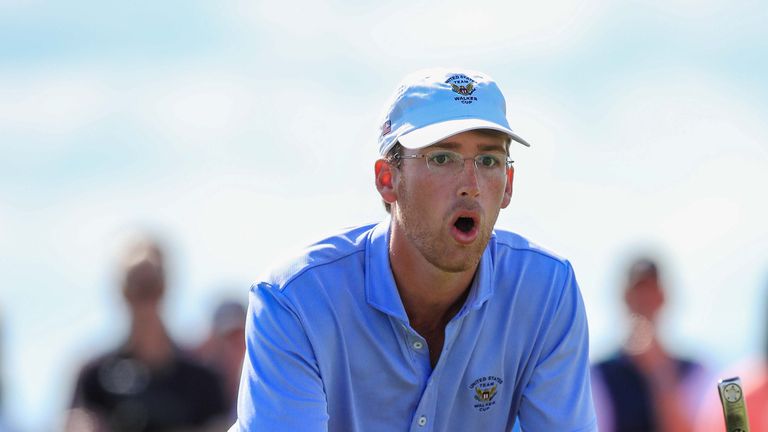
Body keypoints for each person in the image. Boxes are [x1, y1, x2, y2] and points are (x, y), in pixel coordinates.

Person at [232, 68, 596, 431]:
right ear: (387, 180)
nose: (470, 185)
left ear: (508, 186)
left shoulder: (548, 289)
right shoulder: (296, 298)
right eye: (442, 158)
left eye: (488, 161)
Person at [65, 235, 229, 432]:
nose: (145, 300)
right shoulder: (94, 376)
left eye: (151, 285)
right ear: (123, 292)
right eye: (136, 286)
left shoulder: (203, 379)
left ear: (165, 287)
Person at [591, 257, 707, 432]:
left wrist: (659, 372)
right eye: (638, 293)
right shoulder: (600, 375)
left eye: (652, 293)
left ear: (663, 298)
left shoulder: (695, 371)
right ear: (626, 298)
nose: (644, 301)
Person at [194, 299, 247, 421]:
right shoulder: (199, 387)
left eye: (240, 337)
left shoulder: (258, 383)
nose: (234, 345)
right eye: (228, 338)